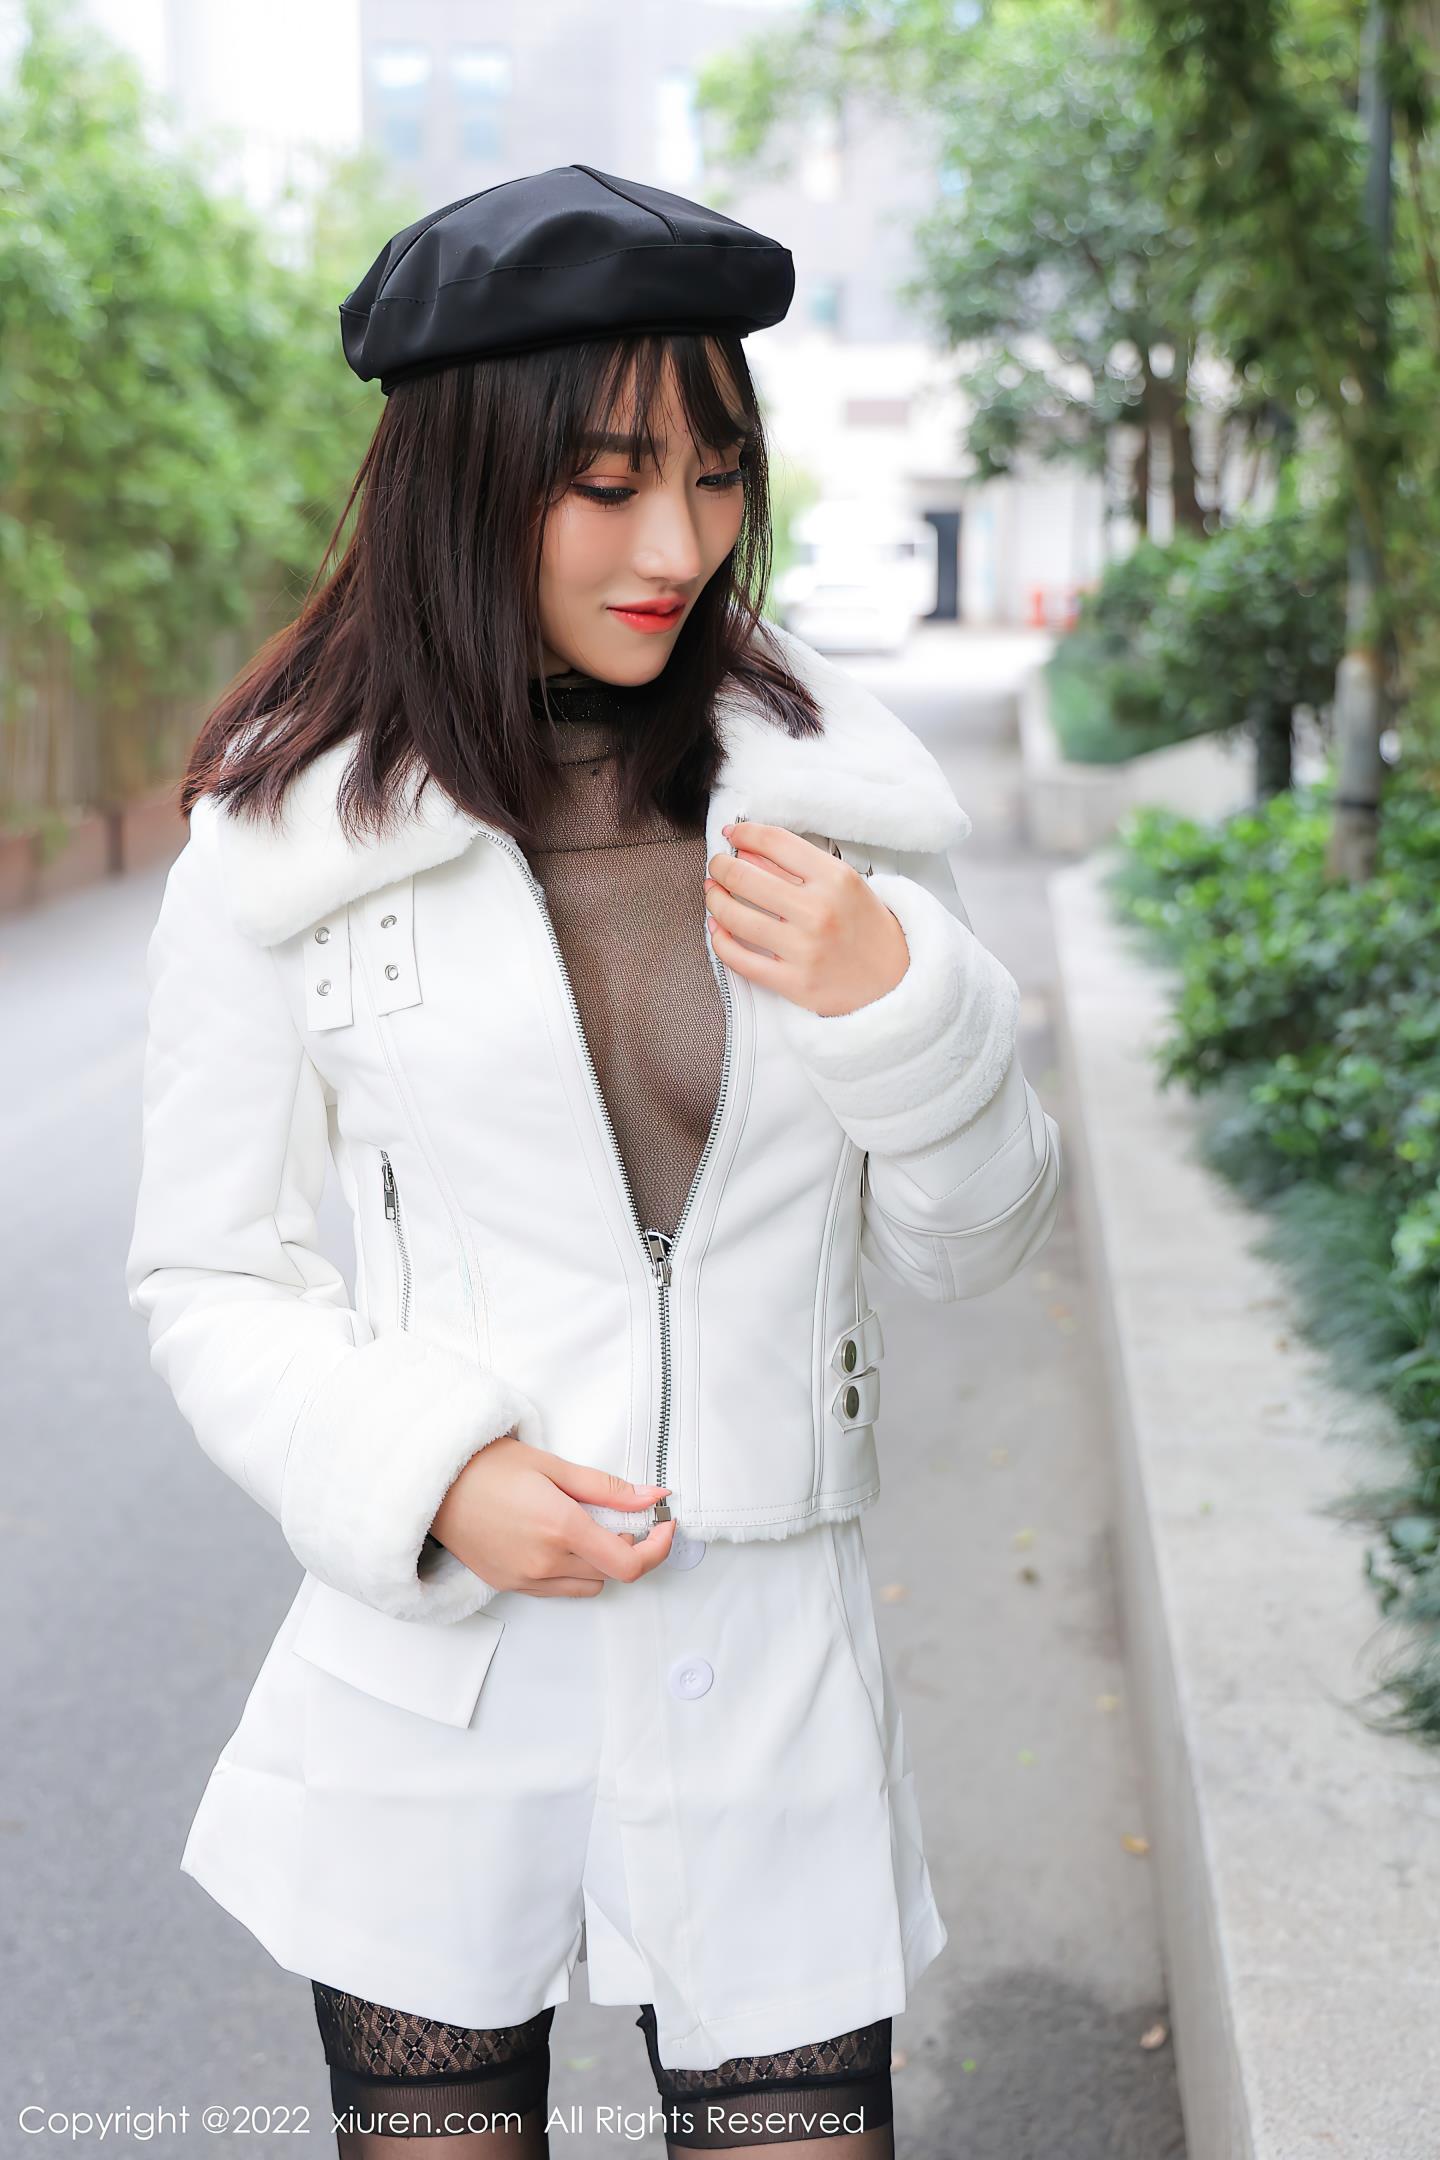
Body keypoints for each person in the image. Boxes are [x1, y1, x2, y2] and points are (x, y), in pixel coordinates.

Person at [124, 165, 1062, 2157]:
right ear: (465, 477)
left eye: (716, 475)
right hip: (441, 1683)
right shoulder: (288, 844)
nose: (678, 543)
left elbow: (978, 1239)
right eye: (608, 480)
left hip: (771, 1674)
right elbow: (208, 1277)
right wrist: (434, 1477)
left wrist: (901, 1005)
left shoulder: (835, 812)